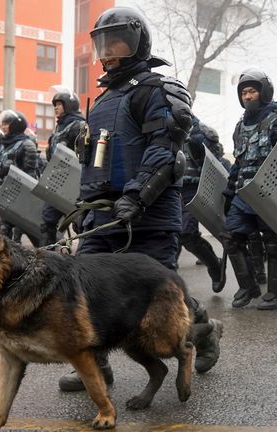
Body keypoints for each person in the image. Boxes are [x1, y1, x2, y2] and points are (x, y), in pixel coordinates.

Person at [56, 7, 223, 393]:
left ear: (137, 42)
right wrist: (85, 206)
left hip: (149, 213)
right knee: (84, 290)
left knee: (159, 295)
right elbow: (95, 163)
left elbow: (164, 151)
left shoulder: (159, 90)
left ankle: (204, 330)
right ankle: (96, 369)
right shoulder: (100, 102)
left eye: (117, 41)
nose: (109, 51)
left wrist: (137, 196)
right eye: (103, 43)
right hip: (104, 215)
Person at [222, 68, 277, 310]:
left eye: (252, 91)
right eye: (244, 93)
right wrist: (229, 191)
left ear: (264, 93)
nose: (247, 96)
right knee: (232, 238)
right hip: (243, 193)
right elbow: (239, 162)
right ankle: (249, 287)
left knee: (272, 242)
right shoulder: (240, 127)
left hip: (270, 192)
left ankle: (275, 294)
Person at [181, 117, 226, 292]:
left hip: (195, 188)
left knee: (187, 235)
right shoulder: (161, 126)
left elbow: (214, 162)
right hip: (171, 188)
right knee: (175, 237)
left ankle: (214, 266)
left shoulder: (199, 132)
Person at [40, 88, 87, 246]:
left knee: (81, 223)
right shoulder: (58, 129)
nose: (56, 107)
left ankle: (83, 256)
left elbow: (84, 155)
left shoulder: (79, 125)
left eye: (59, 104)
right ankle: (47, 257)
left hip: (75, 183)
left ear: (69, 105)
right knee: (47, 221)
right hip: (57, 181)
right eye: (55, 104)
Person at [0, 110, 40, 244]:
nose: (3, 126)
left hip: (17, 196)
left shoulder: (27, 145)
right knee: (3, 233)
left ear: (15, 125)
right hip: (4, 194)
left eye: (7, 123)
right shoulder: (5, 145)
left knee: (28, 235)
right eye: (3, 123)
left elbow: (30, 176)